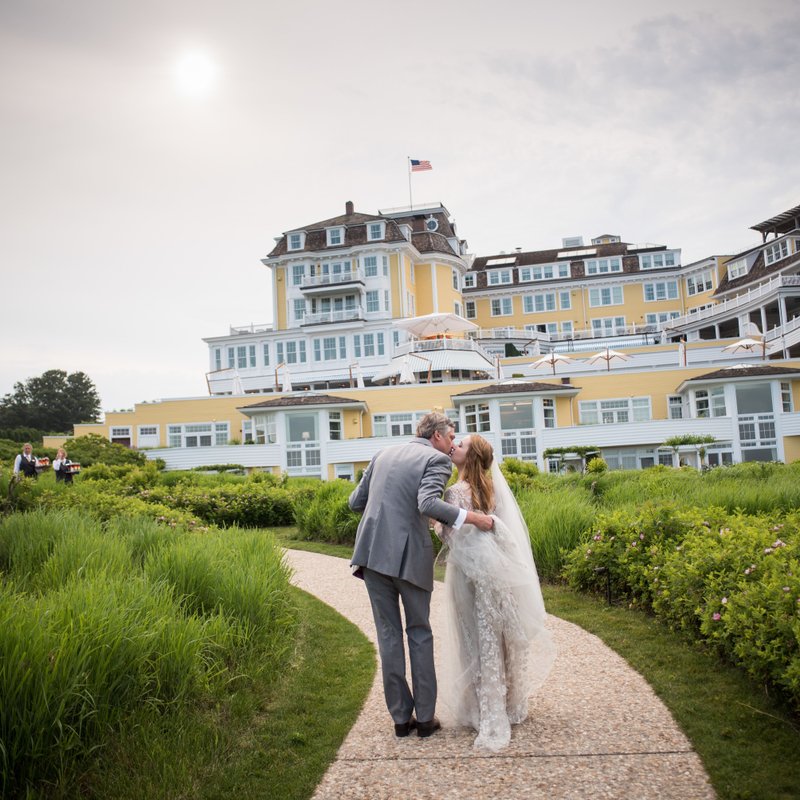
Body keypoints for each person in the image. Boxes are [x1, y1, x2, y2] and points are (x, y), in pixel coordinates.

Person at [349, 412, 494, 739]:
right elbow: (427, 503)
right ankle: (425, 719)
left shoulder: (382, 454)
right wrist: (473, 518)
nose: (452, 443)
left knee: (388, 635)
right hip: (409, 558)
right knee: (419, 632)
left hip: (372, 556)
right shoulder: (436, 460)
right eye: (451, 435)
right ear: (437, 435)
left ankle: (401, 719)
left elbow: (355, 502)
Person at [437, 434, 555, 751]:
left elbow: (448, 535)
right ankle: (507, 702)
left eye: (461, 445)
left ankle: (481, 708)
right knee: (496, 637)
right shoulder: (490, 489)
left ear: (470, 457)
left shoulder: (455, 492)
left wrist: (435, 523)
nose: (454, 446)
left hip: (467, 574)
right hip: (495, 572)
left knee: (472, 638)